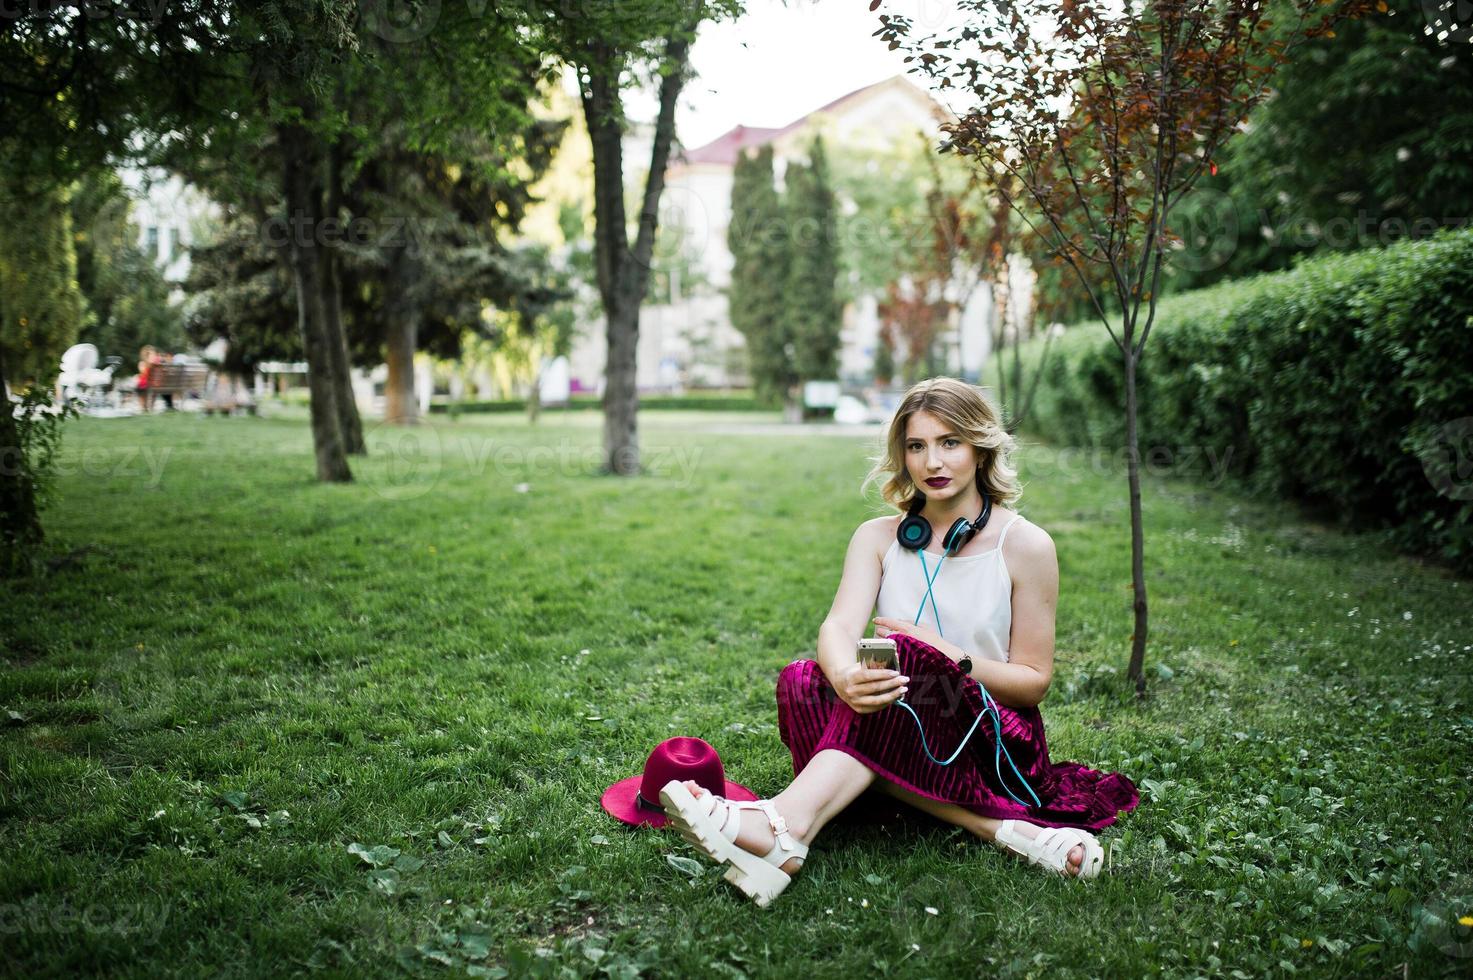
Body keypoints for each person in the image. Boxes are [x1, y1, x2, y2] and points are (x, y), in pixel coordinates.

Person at [660, 377, 1141, 906]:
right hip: (900, 720)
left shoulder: (1025, 545)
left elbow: (1032, 684)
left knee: (908, 657)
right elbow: (839, 628)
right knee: (803, 681)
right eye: (917, 446)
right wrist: (845, 677)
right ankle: (997, 830)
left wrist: (945, 656)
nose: (933, 461)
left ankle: (783, 827)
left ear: (980, 447)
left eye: (950, 442)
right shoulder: (878, 537)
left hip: (989, 738)